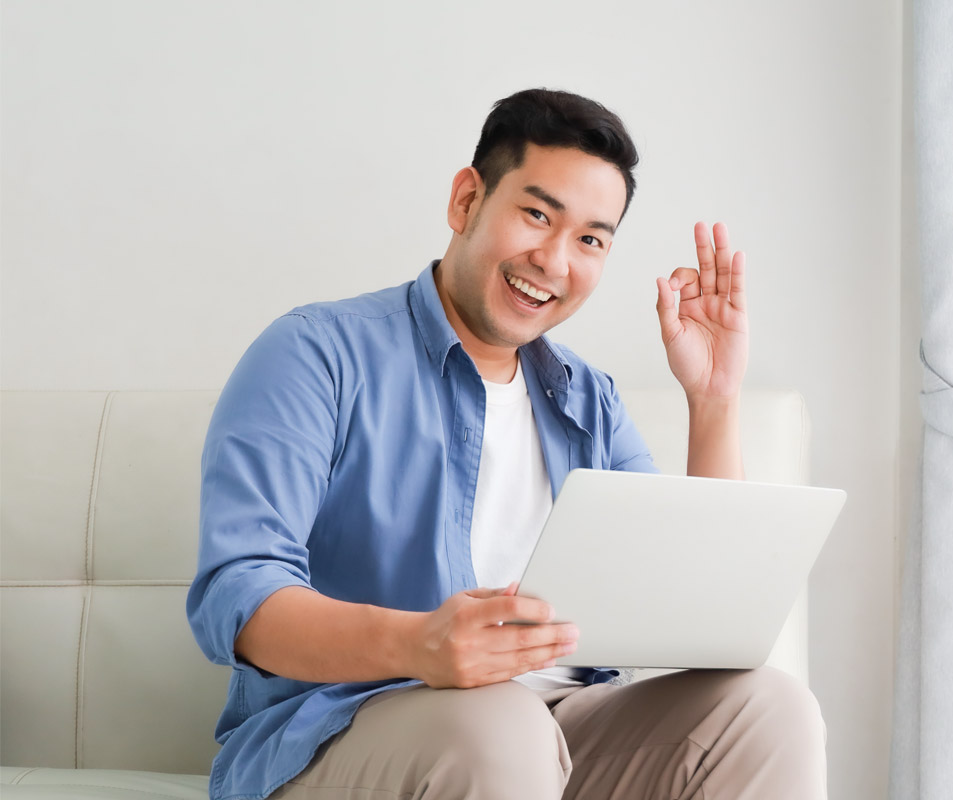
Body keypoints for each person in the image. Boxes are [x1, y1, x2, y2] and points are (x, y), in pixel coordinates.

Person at [185, 88, 827, 800]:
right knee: (499, 727)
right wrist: (417, 644)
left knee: (771, 709)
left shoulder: (590, 399)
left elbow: (704, 610)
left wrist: (713, 400)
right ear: (466, 202)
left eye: (590, 239)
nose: (554, 260)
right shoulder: (316, 353)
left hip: (556, 727)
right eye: (536, 214)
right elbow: (237, 598)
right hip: (342, 734)